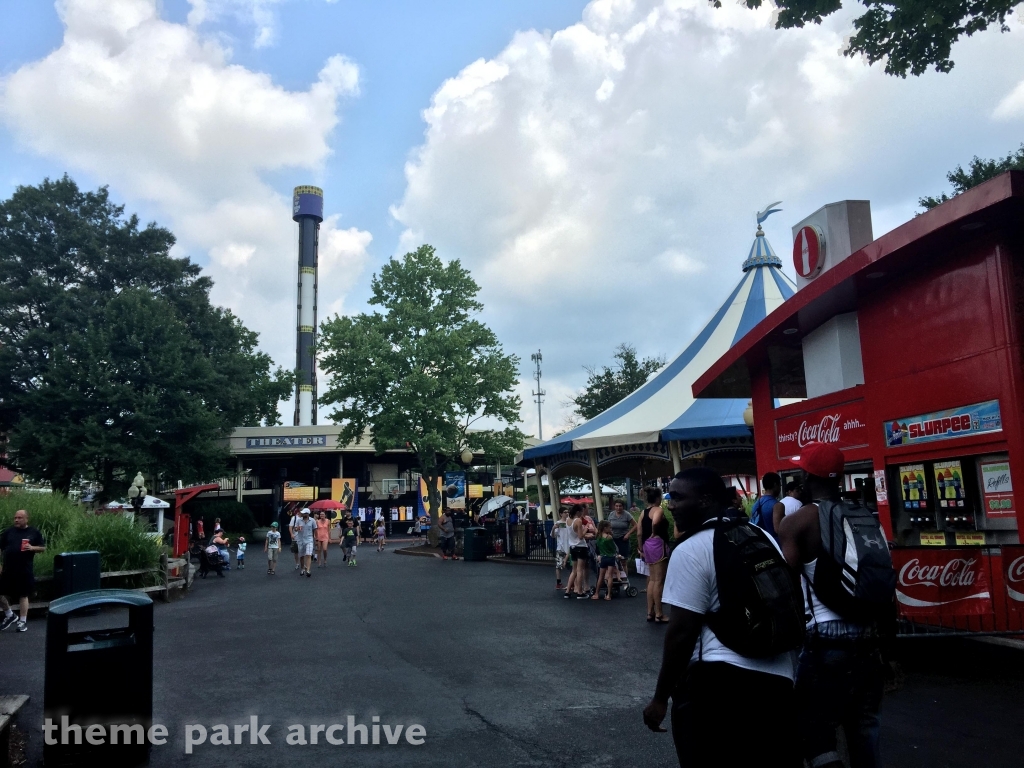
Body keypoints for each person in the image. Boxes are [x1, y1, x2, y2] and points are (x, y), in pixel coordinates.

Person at [643, 468, 800, 767]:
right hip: (779, 680)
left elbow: (682, 632)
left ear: (704, 501)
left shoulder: (691, 549)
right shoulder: (760, 534)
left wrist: (660, 698)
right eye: (668, 497)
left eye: (677, 497)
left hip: (718, 688)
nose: (670, 504)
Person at [778, 443, 889, 768]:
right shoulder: (865, 517)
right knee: (865, 733)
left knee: (813, 732)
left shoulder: (797, 523)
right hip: (870, 639)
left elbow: (787, 589)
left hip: (825, 640)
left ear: (805, 476)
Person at [0, 510, 46, 633]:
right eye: (15, 517)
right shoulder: (9, 532)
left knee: (23, 594)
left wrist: (32, 548)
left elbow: (43, 548)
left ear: (26, 519)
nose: (16, 520)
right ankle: (10, 615)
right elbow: (0, 547)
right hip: (8, 569)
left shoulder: (33, 532)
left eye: (19, 518)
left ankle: (22, 621)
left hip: (24, 569)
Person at [639, 487, 670, 623]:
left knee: (652, 579)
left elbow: (639, 532)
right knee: (658, 580)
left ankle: (650, 612)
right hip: (657, 544)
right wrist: (654, 532)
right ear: (658, 498)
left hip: (647, 545)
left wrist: (641, 547)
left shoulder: (643, 512)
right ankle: (659, 614)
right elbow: (656, 521)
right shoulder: (658, 510)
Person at [564, 505, 591, 600]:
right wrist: (586, 529)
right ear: (578, 512)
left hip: (572, 546)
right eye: (581, 512)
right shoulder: (578, 521)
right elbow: (580, 536)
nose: (582, 513)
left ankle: (567, 592)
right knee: (580, 570)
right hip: (580, 546)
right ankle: (580, 592)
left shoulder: (568, 520)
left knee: (574, 570)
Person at [750, 471, 782, 539]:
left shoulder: (756, 504)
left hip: (761, 543)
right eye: (780, 485)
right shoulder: (777, 505)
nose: (780, 488)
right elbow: (778, 529)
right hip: (775, 544)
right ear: (775, 484)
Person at [592, 521, 617, 601]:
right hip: (610, 557)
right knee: (610, 576)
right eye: (609, 527)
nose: (610, 529)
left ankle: (596, 594)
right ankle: (608, 594)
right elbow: (613, 548)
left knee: (601, 576)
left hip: (603, 557)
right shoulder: (609, 537)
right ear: (605, 528)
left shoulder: (598, 536)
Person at [607, 499, 637, 563]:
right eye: (616, 506)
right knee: (613, 559)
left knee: (623, 560)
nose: (618, 508)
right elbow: (608, 525)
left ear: (623, 507)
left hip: (623, 539)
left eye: (620, 506)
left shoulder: (627, 514)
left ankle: (624, 572)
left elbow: (635, 525)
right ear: (614, 506)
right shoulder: (611, 514)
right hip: (613, 539)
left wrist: (628, 534)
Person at [552, 508, 571, 590]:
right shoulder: (558, 523)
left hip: (569, 547)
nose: (567, 514)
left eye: (567, 512)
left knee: (571, 566)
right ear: (560, 514)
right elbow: (553, 536)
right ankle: (558, 582)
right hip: (561, 547)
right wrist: (553, 528)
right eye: (565, 512)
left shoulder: (570, 522)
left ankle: (571, 583)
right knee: (559, 566)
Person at [295, 509, 316, 577]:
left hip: (309, 539)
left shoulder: (312, 520)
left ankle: (308, 570)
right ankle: (302, 568)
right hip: (300, 540)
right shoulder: (299, 520)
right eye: (303, 513)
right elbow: (295, 528)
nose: (304, 514)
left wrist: (315, 537)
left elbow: (315, 529)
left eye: (305, 513)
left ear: (308, 514)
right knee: (301, 556)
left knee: (308, 554)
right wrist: (297, 528)